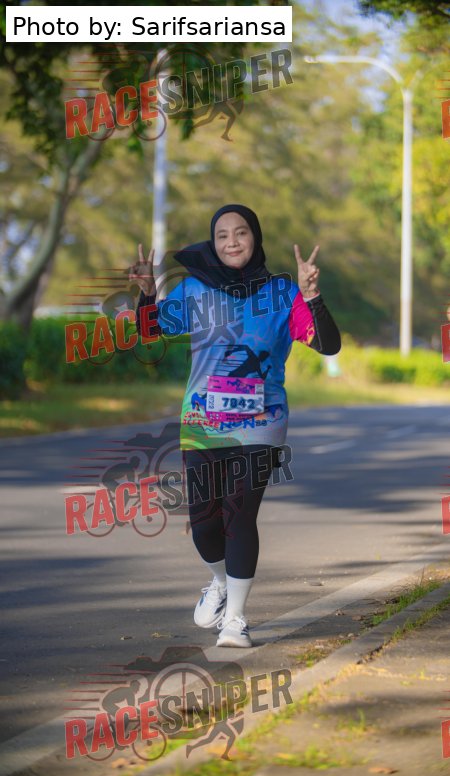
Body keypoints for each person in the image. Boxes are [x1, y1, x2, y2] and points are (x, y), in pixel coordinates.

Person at [130, 204, 340, 648]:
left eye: (241, 232)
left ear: (255, 238)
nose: (232, 242)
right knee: (204, 522)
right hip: (202, 420)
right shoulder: (194, 289)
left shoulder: (282, 293)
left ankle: (236, 620)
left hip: (263, 420)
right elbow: (150, 333)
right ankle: (221, 582)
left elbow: (327, 344)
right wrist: (147, 295)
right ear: (214, 242)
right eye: (222, 235)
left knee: (239, 515)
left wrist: (312, 296)